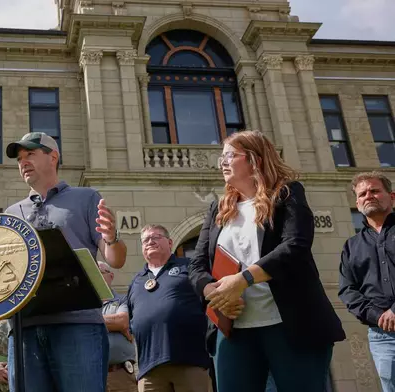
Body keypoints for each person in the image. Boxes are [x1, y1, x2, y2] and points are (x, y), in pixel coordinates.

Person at [188, 130, 345, 392]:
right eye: (222, 157)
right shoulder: (218, 209)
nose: (222, 162)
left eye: (230, 155)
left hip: (289, 326)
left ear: (254, 159)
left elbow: (295, 246)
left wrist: (243, 279)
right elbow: (197, 266)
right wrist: (213, 292)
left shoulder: (288, 193)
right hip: (234, 331)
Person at [5, 132, 127, 392]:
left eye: (30, 154)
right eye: (19, 158)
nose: (23, 162)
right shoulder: (11, 213)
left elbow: (115, 260)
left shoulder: (86, 198)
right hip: (25, 328)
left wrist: (111, 236)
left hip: (77, 325)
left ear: (53, 157)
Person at [127, 224, 210, 391]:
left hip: (189, 361)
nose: (150, 242)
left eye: (156, 237)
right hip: (149, 368)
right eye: (145, 240)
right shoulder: (136, 281)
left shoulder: (189, 267)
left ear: (170, 242)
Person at [339, 171, 395, 392]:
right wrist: (378, 315)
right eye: (362, 194)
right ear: (357, 202)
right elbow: (347, 290)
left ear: (391, 197)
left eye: (374, 191)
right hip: (382, 336)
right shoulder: (352, 245)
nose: (368, 196)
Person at [98, 262, 137, 392]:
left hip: (119, 374)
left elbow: (122, 321)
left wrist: (87, 322)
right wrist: (111, 323)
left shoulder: (123, 300)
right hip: (91, 374)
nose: (96, 276)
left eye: (100, 272)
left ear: (111, 276)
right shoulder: (82, 304)